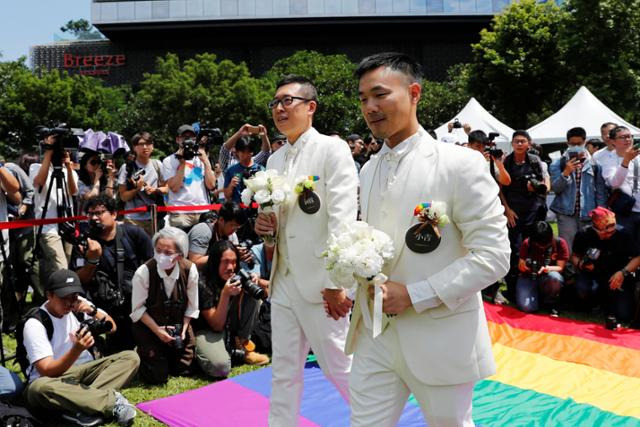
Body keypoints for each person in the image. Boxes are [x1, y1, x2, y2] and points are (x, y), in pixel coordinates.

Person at [345, 52, 509, 427]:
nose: (369, 107)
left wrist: (415, 294)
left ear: (414, 93)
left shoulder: (460, 164)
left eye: (380, 94)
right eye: (363, 98)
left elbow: (494, 256)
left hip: (440, 334)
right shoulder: (368, 170)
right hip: (374, 334)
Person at [254, 74, 358, 426]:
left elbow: (343, 218)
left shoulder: (332, 149)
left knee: (339, 366)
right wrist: (265, 230)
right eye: (276, 103)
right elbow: (275, 226)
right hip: (282, 280)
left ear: (310, 107)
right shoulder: (273, 161)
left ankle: (376, 420)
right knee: (283, 371)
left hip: (322, 283)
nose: (280, 109)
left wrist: (336, 281)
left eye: (288, 101)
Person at [22, 269, 139, 426]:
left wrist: (93, 311)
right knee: (38, 388)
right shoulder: (36, 323)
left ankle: (80, 402)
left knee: (130, 358)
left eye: (74, 297)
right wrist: (76, 350)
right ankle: (110, 402)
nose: (70, 303)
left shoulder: (78, 305)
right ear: (49, 295)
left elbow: (112, 327)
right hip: (52, 380)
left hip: (84, 372)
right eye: (64, 298)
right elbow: (47, 370)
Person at [71, 194, 154, 353]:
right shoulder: (85, 242)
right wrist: (92, 260)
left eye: (99, 213)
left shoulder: (134, 233)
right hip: (102, 307)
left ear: (114, 214)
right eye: (90, 214)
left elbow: (152, 265)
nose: (94, 218)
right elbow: (79, 279)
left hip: (135, 302)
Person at [130, 227, 199, 384]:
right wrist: (157, 331)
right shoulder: (143, 272)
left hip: (178, 324)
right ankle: (143, 350)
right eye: (158, 250)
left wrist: (183, 330)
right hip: (150, 326)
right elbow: (137, 309)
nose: (161, 256)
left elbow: (192, 306)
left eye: (167, 253)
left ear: (180, 255)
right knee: (157, 376)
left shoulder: (190, 270)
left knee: (185, 369)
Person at [193, 240, 268, 378]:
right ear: (215, 262)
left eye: (234, 262)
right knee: (220, 367)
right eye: (225, 262)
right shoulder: (202, 282)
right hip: (209, 330)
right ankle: (226, 351)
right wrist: (225, 294)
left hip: (230, 326)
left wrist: (252, 281)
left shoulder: (237, 275)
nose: (230, 267)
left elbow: (263, 294)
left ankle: (242, 345)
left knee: (252, 294)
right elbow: (216, 325)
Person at [501, 130, 550, 301]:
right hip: (513, 212)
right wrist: (507, 209)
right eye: (516, 141)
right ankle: (513, 290)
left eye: (522, 141)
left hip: (533, 211)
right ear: (512, 144)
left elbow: (543, 183)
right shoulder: (506, 161)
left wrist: (535, 188)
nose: (519, 144)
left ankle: (534, 287)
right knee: (514, 250)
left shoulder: (535, 161)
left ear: (529, 143)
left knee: (533, 248)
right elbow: (500, 188)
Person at [571, 207, 640, 325]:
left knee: (624, 315)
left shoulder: (623, 234)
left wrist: (623, 272)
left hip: (615, 277)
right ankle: (595, 302)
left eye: (613, 231)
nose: (610, 234)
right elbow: (573, 256)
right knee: (582, 289)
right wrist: (580, 264)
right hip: (592, 275)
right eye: (606, 232)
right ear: (595, 228)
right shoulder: (583, 234)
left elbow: (638, 257)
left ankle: (607, 302)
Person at [30, 135, 78, 285]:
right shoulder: (36, 167)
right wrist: (49, 153)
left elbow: (73, 191)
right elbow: (39, 182)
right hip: (47, 226)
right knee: (61, 267)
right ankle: (64, 299)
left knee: (64, 266)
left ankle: (53, 297)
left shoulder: (69, 170)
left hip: (67, 225)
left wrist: (69, 168)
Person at [549, 127, 607, 249]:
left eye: (579, 143)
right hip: (566, 213)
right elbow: (556, 188)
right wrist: (566, 172)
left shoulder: (594, 164)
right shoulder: (557, 163)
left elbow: (600, 191)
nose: (575, 146)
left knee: (588, 247)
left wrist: (601, 212)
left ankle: (584, 268)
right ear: (567, 142)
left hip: (588, 213)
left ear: (585, 142)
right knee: (567, 248)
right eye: (572, 143)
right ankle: (569, 268)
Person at [163, 124, 216, 231]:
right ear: (178, 140)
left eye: (191, 137)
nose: (188, 140)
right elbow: (174, 187)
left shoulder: (201, 158)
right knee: (181, 245)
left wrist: (206, 161)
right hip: (180, 213)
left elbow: (211, 185)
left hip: (202, 211)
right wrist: (182, 163)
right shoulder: (169, 160)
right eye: (184, 137)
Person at [117, 132, 167, 236]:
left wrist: (155, 190)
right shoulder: (127, 168)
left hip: (154, 218)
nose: (145, 147)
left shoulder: (157, 165)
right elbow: (123, 197)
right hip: (132, 219)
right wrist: (137, 189)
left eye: (148, 143)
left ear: (152, 146)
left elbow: (167, 188)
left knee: (152, 250)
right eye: (141, 144)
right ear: (134, 147)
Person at [515, 221, 568, 313]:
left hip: (547, 276)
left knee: (555, 277)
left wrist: (547, 269)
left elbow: (560, 267)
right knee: (527, 307)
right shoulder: (527, 243)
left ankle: (550, 301)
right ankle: (536, 298)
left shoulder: (559, 243)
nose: (542, 247)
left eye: (545, 244)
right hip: (528, 276)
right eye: (538, 245)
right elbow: (521, 265)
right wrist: (524, 267)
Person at [600, 126, 640, 248]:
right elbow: (614, 183)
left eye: (629, 136)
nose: (628, 140)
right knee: (626, 248)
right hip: (624, 212)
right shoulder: (608, 160)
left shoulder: (638, 156)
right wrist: (626, 161)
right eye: (623, 137)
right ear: (612, 142)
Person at [187, 202, 245, 281]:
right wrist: (222, 254)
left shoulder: (232, 234)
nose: (234, 230)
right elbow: (194, 262)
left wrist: (240, 256)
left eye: (237, 227)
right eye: (232, 225)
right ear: (221, 220)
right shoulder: (203, 230)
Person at [223, 138, 266, 204]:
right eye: (243, 152)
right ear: (237, 152)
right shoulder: (231, 170)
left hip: (257, 209)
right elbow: (226, 196)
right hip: (238, 210)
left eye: (248, 152)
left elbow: (266, 191)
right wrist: (231, 185)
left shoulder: (260, 169)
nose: (246, 156)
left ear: (252, 152)